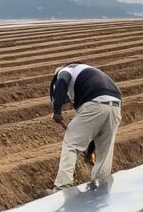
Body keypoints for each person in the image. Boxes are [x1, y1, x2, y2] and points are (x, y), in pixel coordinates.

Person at [49, 62, 122, 191]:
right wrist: (89, 151)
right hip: (116, 106)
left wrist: (57, 111)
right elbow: (93, 130)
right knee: (104, 152)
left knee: (71, 144)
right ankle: (101, 187)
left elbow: (61, 81)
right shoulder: (85, 74)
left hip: (94, 103)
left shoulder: (64, 71)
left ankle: (62, 188)